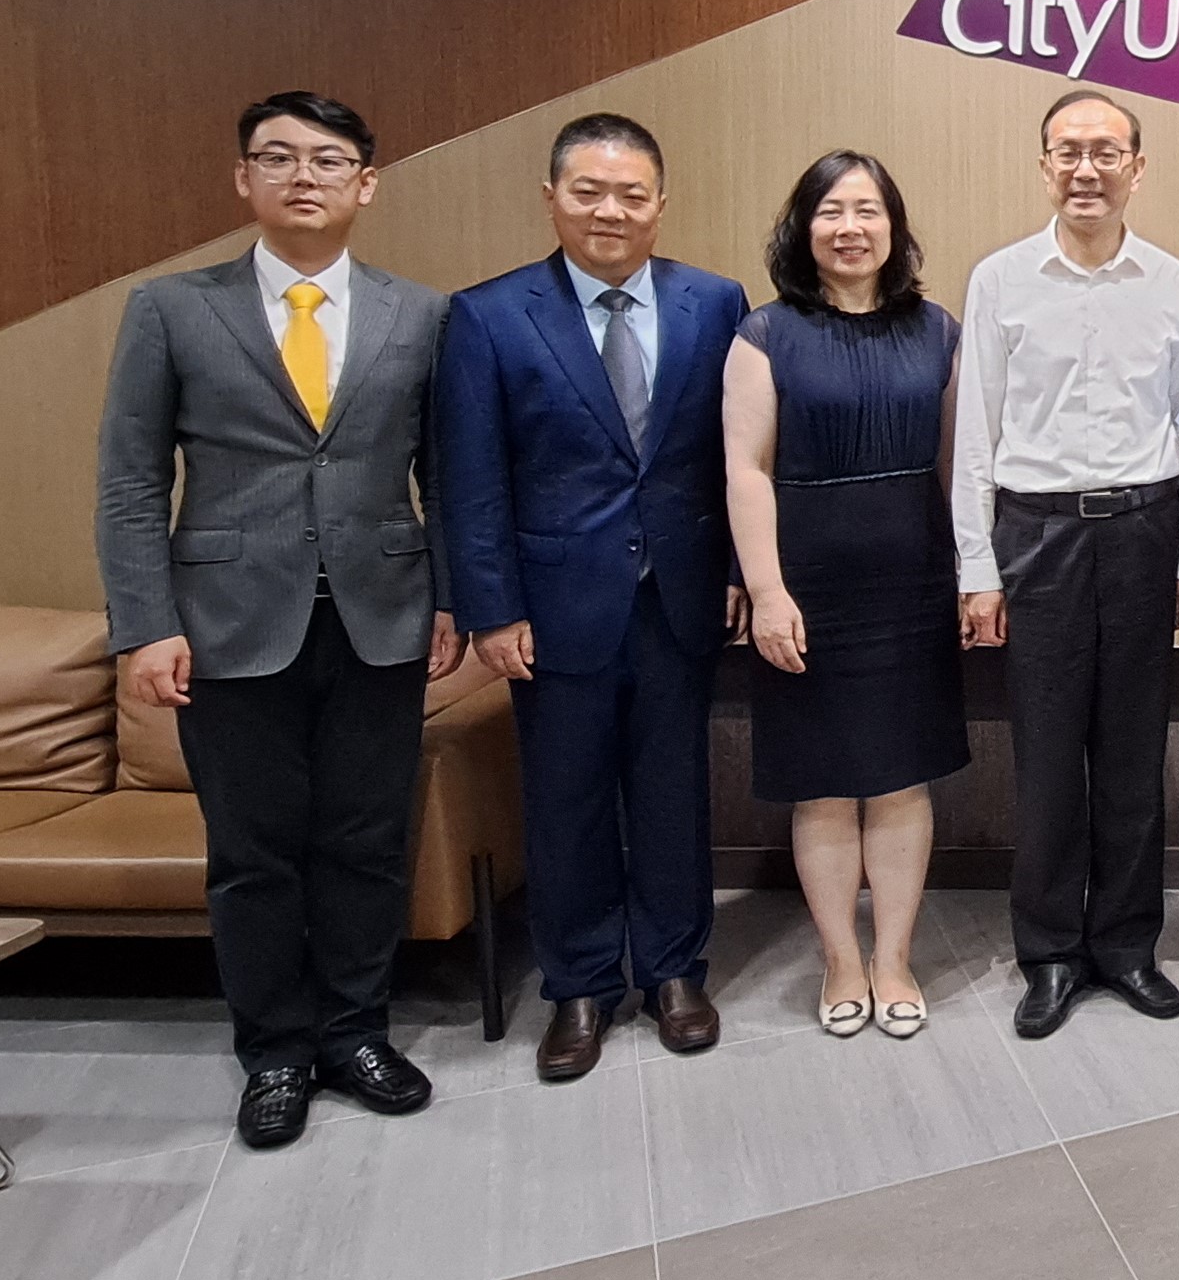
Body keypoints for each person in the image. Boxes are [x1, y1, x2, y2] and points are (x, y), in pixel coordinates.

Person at [97, 91, 461, 1150]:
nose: (304, 176)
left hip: (381, 620)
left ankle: (354, 1030)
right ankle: (275, 1053)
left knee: (364, 842)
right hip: (225, 626)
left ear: (367, 183)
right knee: (254, 856)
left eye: (328, 159)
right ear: (242, 179)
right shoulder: (171, 309)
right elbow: (129, 483)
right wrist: (144, 624)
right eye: (278, 158)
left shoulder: (419, 314)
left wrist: (447, 599)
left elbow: (445, 476)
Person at [435, 113, 748, 1082]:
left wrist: (739, 571)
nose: (610, 210)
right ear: (552, 199)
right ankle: (577, 985)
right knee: (565, 801)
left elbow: (736, 460)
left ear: (660, 203)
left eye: (631, 193)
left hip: (680, 596)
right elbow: (468, 479)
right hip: (552, 606)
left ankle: (671, 972)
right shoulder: (489, 315)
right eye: (589, 191)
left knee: (671, 794)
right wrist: (490, 608)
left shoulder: (714, 302)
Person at [955, 90, 1179, 1039]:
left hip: (1145, 531)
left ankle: (1127, 947)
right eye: (1068, 151)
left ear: (1136, 168)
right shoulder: (1001, 281)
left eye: (1107, 152)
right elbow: (975, 436)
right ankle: (1052, 952)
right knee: (1051, 756)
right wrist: (976, 568)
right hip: (1039, 536)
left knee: (1135, 752)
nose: (1087, 169)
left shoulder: (1174, 284)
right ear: (1044, 165)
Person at [726, 150, 970, 1040]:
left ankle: (895, 956)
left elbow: (957, 467)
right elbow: (745, 472)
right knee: (824, 785)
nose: (850, 227)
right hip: (808, 581)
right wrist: (765, 591)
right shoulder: (764, 333)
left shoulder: (938, 329)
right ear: (803, 227)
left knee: (901, 779)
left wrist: (965, 575)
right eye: (831, 210)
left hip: (912, 573)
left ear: (894, 228)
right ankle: (839, 958)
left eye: (868, 210)